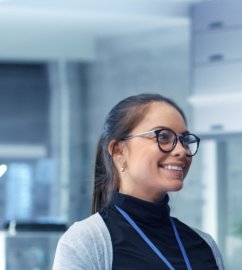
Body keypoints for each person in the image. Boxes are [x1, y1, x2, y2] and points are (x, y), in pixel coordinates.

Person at [53, 94, 225, 270]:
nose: (181, 150)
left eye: (185, 140)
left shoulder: (205, 245)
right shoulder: (86, 242)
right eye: (163, 136)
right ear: (119, 151)